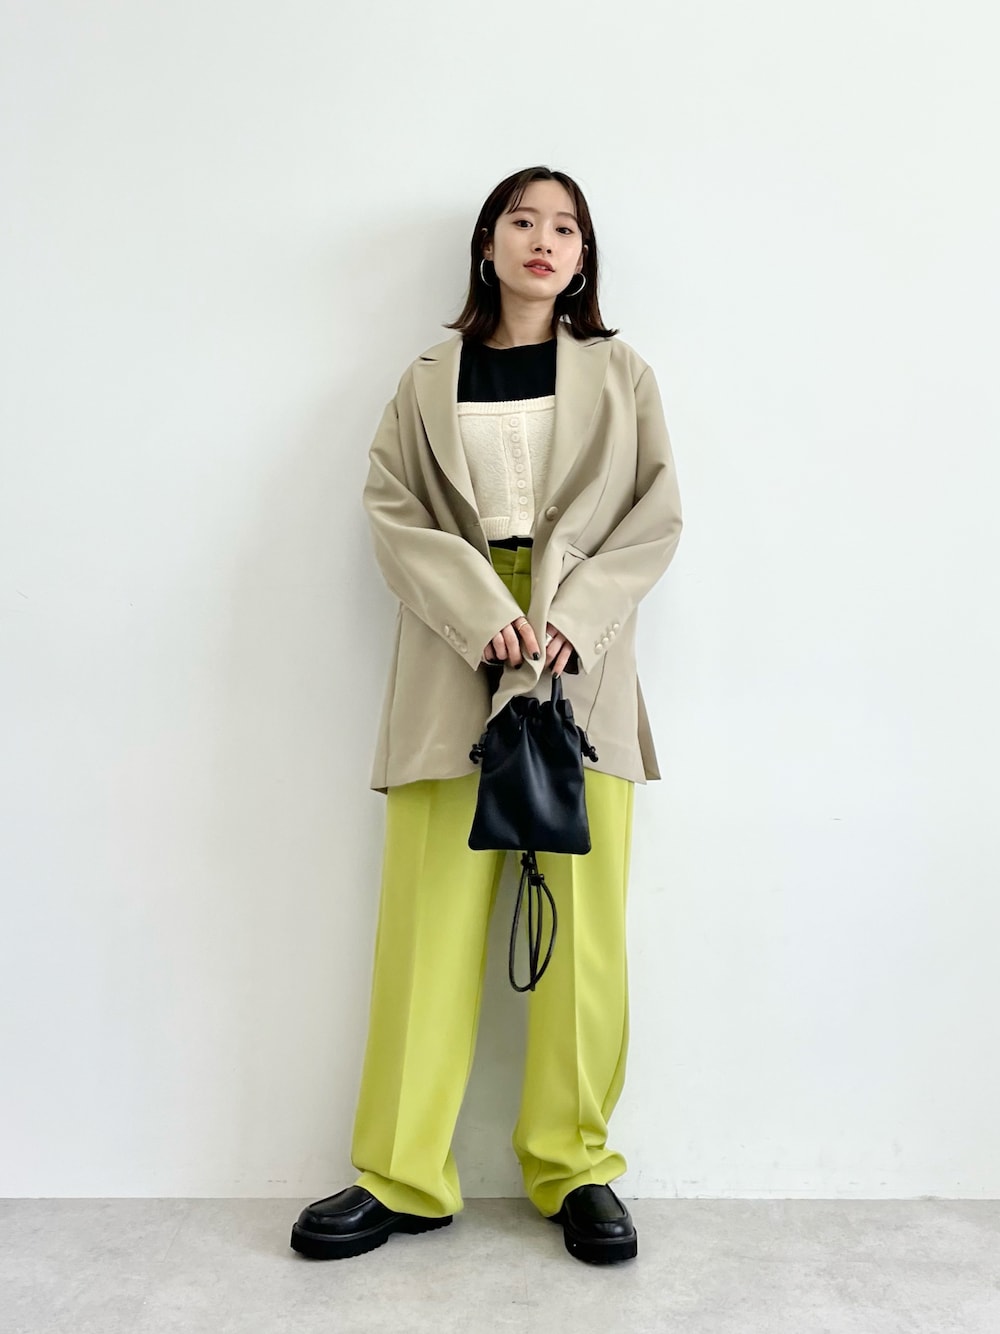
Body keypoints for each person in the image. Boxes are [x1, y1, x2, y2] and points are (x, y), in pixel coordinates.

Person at [290, 166, 683, 1267]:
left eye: (566, 227)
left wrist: (572, 621)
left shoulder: (622, 374)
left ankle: (576, 1167)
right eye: (522, 220)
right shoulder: (425, 381)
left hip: (577, 667)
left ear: (584, 257)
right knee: (427, 926)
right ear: (487, 243)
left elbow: (655, 515)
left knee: (582, 939)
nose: (543, 240)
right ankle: (403, 1174)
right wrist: (482, 615)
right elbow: (393, 508)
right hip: (451, 656)